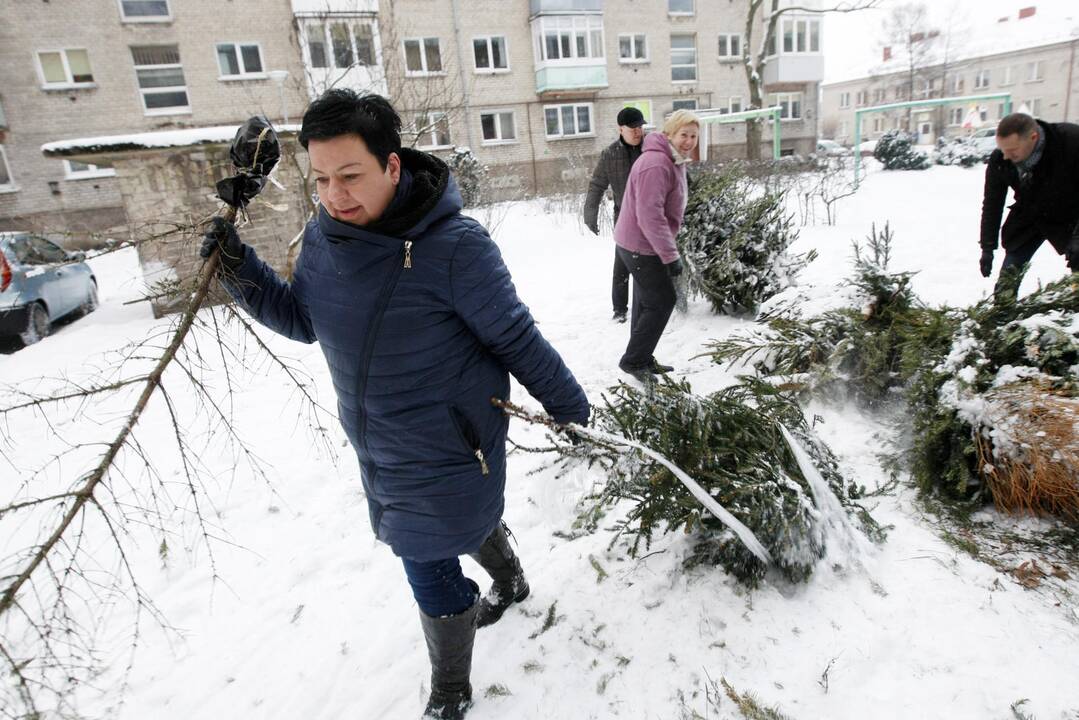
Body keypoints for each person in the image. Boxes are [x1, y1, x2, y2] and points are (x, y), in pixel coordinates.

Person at [201, 90, 589, 720]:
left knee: (428, 561)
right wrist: (237, 267)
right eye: (321, 179)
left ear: (392, 165)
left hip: (454, 442)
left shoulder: (456, 247)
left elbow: (515, 336)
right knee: (458, 526)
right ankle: (512, 579)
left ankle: (450, 688)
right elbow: (305, 320)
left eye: (350, 176)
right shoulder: (323, 238)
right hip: (379, 441)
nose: (334, 194)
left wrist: (571, 411)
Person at [612, 109, 699, 383]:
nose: (689, 141)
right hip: (641, 244)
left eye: (694, 136)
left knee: (647, 300)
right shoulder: (656, 163)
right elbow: (650, 215)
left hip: (636, 242)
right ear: (669, 134)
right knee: (663, 300)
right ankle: (634, 360)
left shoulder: (670, 158)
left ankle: (642, 356)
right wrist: (670, 255)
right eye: (684, 134)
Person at [979, 112, 1079, 300]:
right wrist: (987, 247)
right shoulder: (1001, 158)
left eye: (1013, 150)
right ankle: (1002, 315)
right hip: (1030, 213)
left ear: (1034, 137)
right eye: (1003, 150)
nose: (1006, 156)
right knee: (1008, 278)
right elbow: (992, 203)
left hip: (1071, 213)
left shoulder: (1070, 142)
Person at [583, 106, 647, 323]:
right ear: (621, 129)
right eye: (632, 128)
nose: (638, 131)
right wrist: (590, 212)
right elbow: (597, 184)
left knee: (652, 264)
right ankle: (620, 310)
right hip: (625, 217)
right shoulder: (610, 155)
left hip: (652, 216)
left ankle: (653, 304)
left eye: (640, 126)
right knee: (622, 265)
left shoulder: (652, 149)